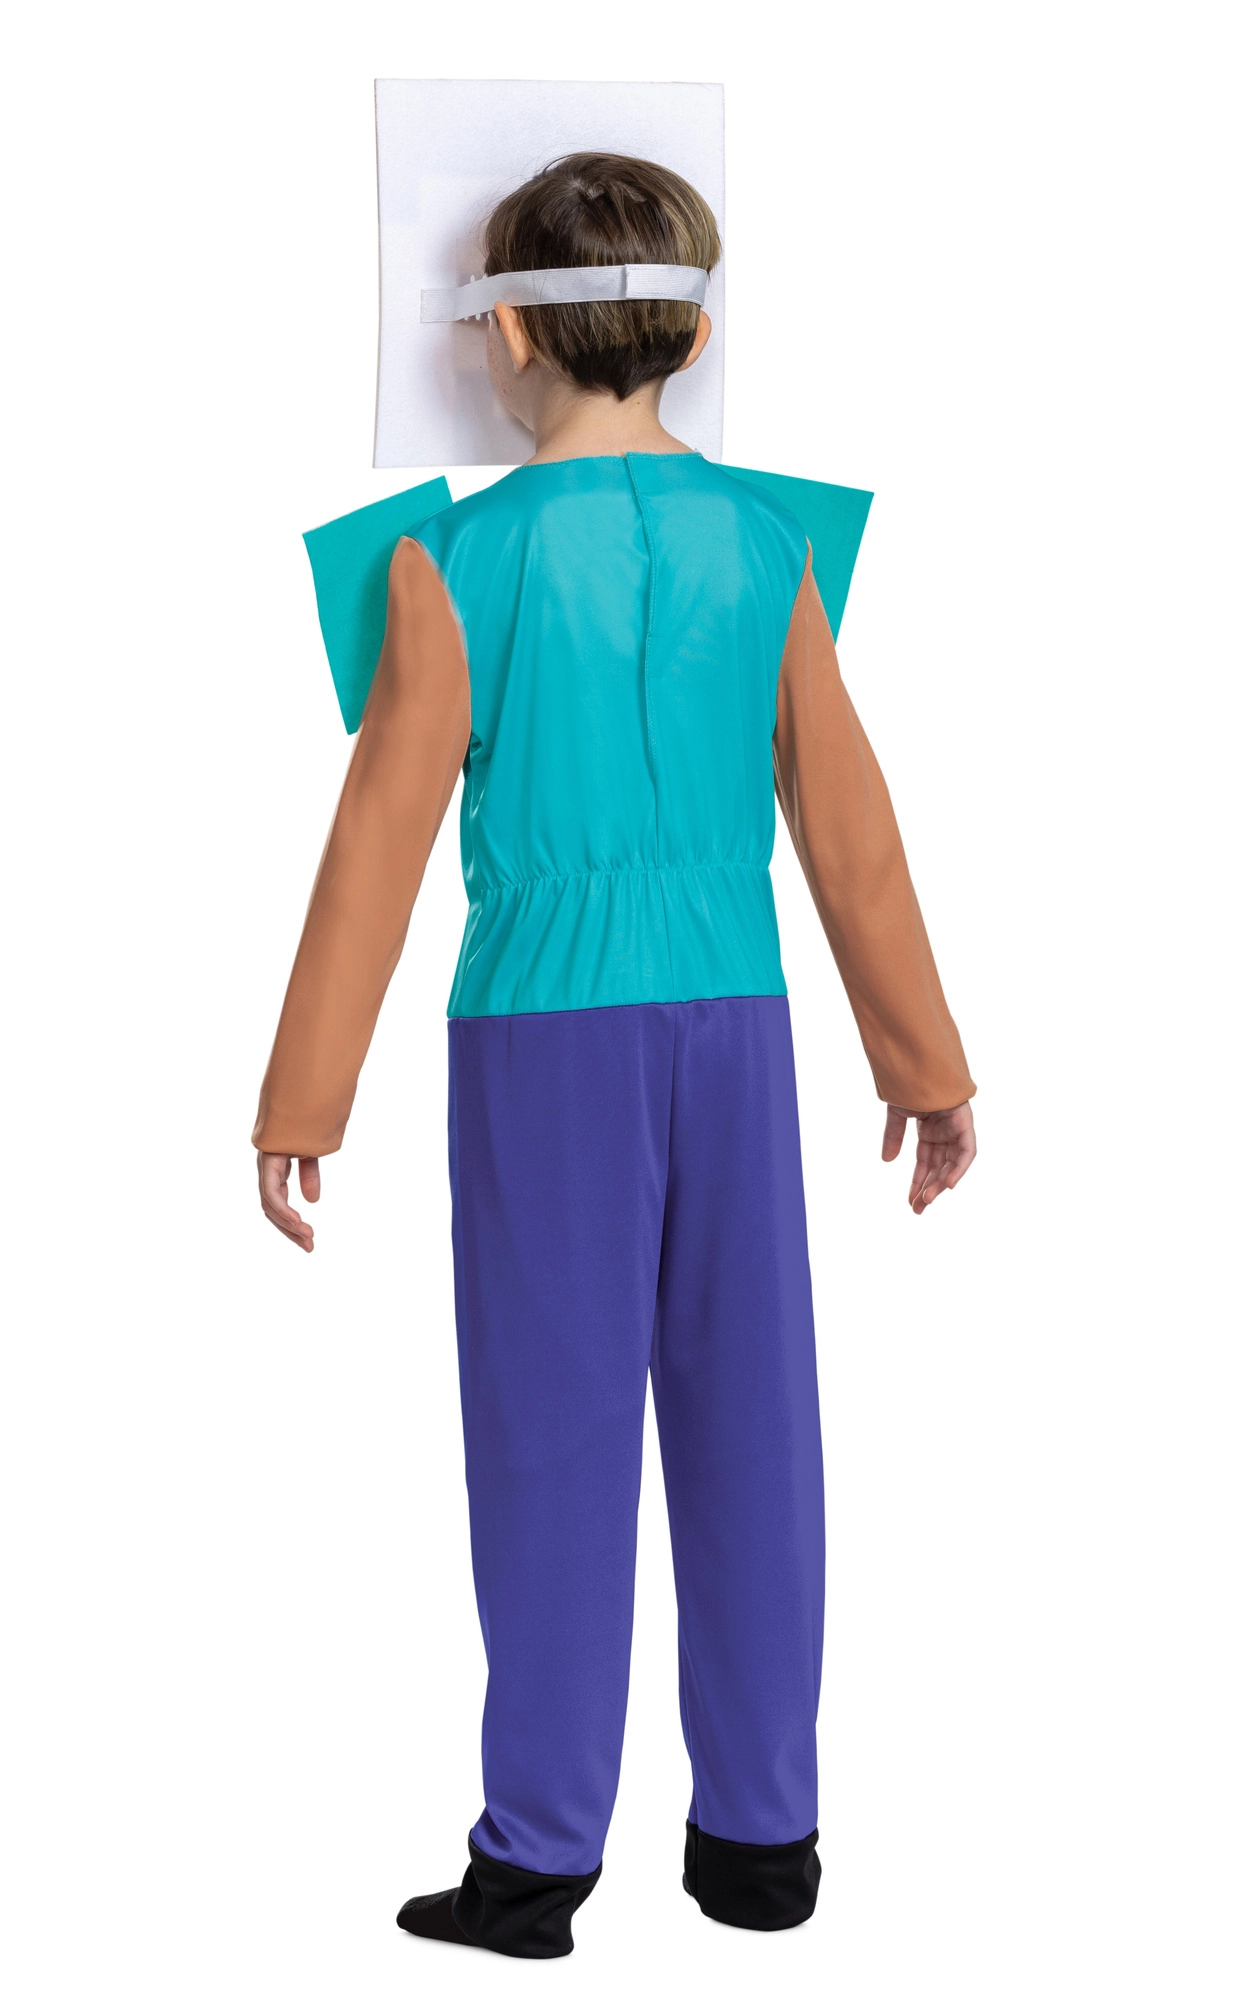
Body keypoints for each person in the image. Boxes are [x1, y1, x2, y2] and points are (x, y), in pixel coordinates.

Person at [253, 152, 976, 1959]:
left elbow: (379, 844)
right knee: (755, 1419)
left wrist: (304, 1097)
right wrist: (925, 1066)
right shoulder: (766, 544)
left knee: (551, 1439)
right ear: (695, 338)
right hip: (734, 1021)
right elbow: (854, 835)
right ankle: (762, 1846)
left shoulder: (454, 559)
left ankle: (537, 1863)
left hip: (542, 1042)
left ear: (503, 336)